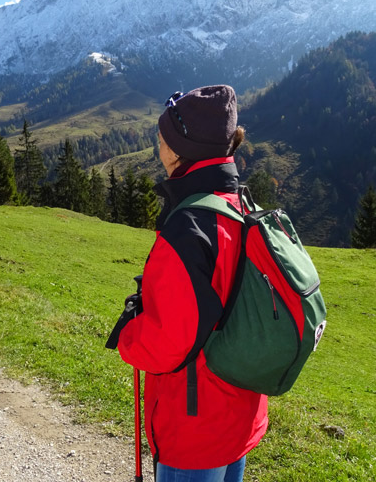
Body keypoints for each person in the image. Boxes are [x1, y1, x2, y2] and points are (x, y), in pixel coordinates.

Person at [115, 85, 268, 482]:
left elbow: (168, 343)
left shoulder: (187, 227)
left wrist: (130, 338)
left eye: (162, 137)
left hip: (196, 422)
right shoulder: (236, 202)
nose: (157, 144)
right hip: (238, 407)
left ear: (180, 148)